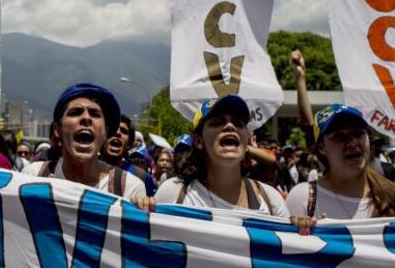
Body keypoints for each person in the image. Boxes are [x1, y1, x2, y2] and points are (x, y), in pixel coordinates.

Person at [155, 95, 289, 217]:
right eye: (217, 122)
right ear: (198, 141)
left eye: (238, 123)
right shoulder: (174, 193)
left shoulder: (271, 201)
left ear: (246, 139)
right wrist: (142, 207)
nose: (230, 126)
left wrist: (302, 228)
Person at [22, 83, 146, 199]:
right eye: (75, 112)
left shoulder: (129, 189)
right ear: (57, 129)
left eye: (95, 114)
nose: (86, 118)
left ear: (106, 132)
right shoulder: (32, 177)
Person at [286, 104, 395, 218]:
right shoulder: (303, 199)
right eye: (340, 137)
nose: (352, 144)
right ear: (321, 148)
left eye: (358, 134)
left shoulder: (391, 196)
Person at [101, 114, 156, 196]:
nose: (118, 133)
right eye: (114, 129)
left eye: (124, 131)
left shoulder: (141, 176)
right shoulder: (85, 169)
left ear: (129, 144)